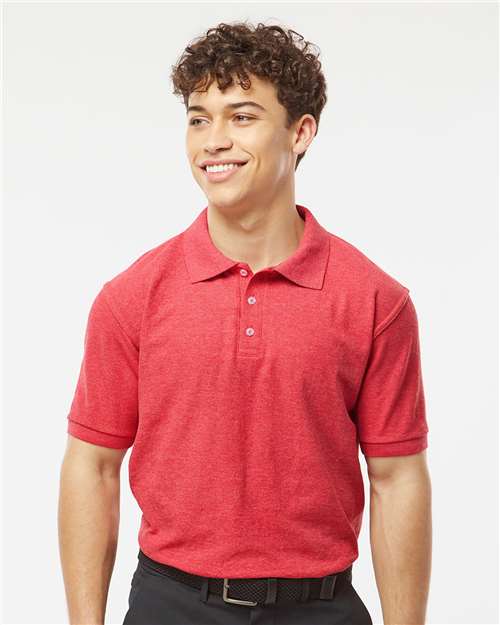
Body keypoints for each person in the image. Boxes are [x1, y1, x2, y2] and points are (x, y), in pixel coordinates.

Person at [58, 20, 432, 625]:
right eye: (198, 118)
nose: (213, 141)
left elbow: (397, 479)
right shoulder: (130, 298)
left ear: (300, 132)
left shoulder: (376, 302)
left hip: (321, 608)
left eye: (242, 116)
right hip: (170, 605)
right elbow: (93, 465)